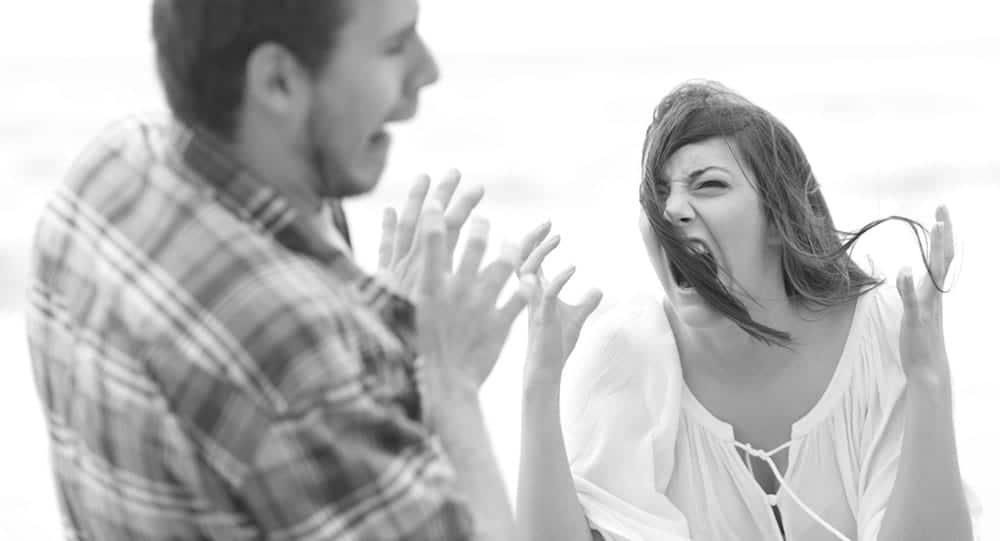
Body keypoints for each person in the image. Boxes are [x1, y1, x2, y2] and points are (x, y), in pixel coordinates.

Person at [25, 1, 552, 539]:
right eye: (394, 46)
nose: (428, 71)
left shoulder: (110, 166)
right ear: (278, 81)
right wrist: (451, 386)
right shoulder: (298, 363)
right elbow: (291, 369)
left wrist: (377, 342)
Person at [514, 81, 982, 540]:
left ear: (780, 219)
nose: (672, 209)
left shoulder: (881, 335)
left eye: (709, 185)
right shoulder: (629, 357)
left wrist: (929, 380)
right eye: (658, 194)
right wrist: (539, 383)